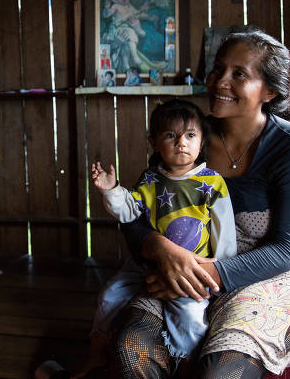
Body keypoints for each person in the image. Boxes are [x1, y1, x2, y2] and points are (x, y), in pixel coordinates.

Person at [110, 30, 290, 378]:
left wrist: (203, 276)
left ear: (269, 91)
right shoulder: (187, 136)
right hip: (183, 261)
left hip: (263, 273)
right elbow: (137, 214)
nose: (219, 81)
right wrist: (162, 250)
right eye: (218, 69)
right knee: (132, 350)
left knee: (221, 373)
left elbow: (288, 249)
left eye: (239, 74)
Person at [71, 100, 236, 378]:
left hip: (190, 271)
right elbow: (129, 213)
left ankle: (183, 368)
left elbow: (225, 233)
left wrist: (217, 273)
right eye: (171, 135)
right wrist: (111, 189)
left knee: (192, 320)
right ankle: (95, 356)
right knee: (108, 297)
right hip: (145, 267)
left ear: (201, 141)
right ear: (154, 143)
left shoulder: (212, 183)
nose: (181, 143)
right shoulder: (149, 180)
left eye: (190, 135)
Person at [102, 0, 145, 71]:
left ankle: (128, 61)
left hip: (127, 28)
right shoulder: (116, 6)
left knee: (128, 44)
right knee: (129, 34)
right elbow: (106, 15)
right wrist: (107, 8)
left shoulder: (130, 7)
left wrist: (148, 16)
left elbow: (138, 13)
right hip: (118, 29)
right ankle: (134, 56)